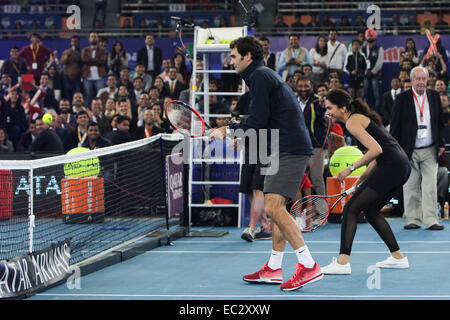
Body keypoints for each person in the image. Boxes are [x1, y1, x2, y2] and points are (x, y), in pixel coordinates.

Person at [211, 36, 322, 291]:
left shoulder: (260, 75)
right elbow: (265, 120)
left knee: (273, 207)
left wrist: (228, 129)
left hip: (289, 147)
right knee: (277, 206)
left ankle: (308, 265)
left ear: (248, 56)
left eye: (234, 56)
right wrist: (241, 135)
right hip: (279, 146)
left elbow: (258, 120)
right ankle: (274, 267)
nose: (231, 61)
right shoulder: (260, 75)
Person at [321, 89, 411, 274]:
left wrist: (350, 168)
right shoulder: (358, 118)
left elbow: (375, 150)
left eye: (330, 108)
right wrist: (361, 180)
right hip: (400, 167)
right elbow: (378, 156)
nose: (327, 112)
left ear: (343, 108)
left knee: (350, 208)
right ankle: (398, 257)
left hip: (392, 167)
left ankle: (342, 262)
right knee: (370, 211)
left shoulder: (352, 121)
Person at [390, 66, 446, 230]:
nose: (421, 82)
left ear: (427, 80)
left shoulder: (435, 96)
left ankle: (431, 220)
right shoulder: (402, 98)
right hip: (409, 149)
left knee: (429, 186)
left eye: (423, 79)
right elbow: (395, 126)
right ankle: (413, 219)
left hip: (430, 148)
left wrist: (441, 143)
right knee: (410, 185)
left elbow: (440, 123)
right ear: (412, 80)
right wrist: (396, 149)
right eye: (418, 79)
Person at [296, 76, 329, 196]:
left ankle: (323, 211)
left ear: (311, 87)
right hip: (298, 147)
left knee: (316, 179)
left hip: (315, 145)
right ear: (296, 87)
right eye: (300, 86)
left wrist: (323, 108)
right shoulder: (293, 101)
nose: (303, 89)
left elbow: (323, 115)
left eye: (306, 86)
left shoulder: (318, 101)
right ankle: (298, 211)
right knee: (296, 180)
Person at [81, 32, 107, 109]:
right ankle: (87, 111)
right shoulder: (85, 50)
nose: (93, 38)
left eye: (95, 36)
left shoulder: (102, 50)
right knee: (88, 95)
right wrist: (96, 60)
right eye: (92, 36)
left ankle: (102, 111)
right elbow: (84, 60)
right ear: (89, 39)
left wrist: (90, 61)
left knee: (101, 96)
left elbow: (102, 61)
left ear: (98, 39)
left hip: (99, 76)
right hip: (88, 76)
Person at [362, 28, 384, 113]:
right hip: (365, 74)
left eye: (371, 35)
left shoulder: (379, 48)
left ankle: (376, 111)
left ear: (374, 36)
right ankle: (366, 111)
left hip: (375, 73)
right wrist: (365, 71)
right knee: (365, 94)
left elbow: (379, 62)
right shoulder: (363, 48)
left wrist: (373, 71)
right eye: (368, 35)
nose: (369, 37)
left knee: (376, 95)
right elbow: (362, 61)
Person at [60, 35, 82, 101]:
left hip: (77, 76)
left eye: (76, 41)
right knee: (68, 91)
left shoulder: (81, 52)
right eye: (72, 41)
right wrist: (68, 55)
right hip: (67, 75)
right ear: (70, 42)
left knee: (78, 92)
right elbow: (62, 62)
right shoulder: (66, 52)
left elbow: (81, 61)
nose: (74, 43)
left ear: (78, 42)